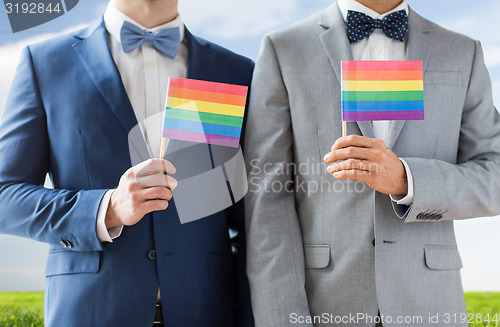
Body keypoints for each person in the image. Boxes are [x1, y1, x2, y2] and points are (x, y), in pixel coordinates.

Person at [244, 0, 500, 326]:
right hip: (324, 303)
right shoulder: (284, 48)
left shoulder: (463, 50)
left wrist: (408, 180)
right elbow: (267, 199)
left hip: (431, 305)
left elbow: (495, 175)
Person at [0, 0, 254, 326]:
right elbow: (6, 196)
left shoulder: (234, 71)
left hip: (207, 312)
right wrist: (106, 209)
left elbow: (252, 219)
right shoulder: (46, 62)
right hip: (89, 312)